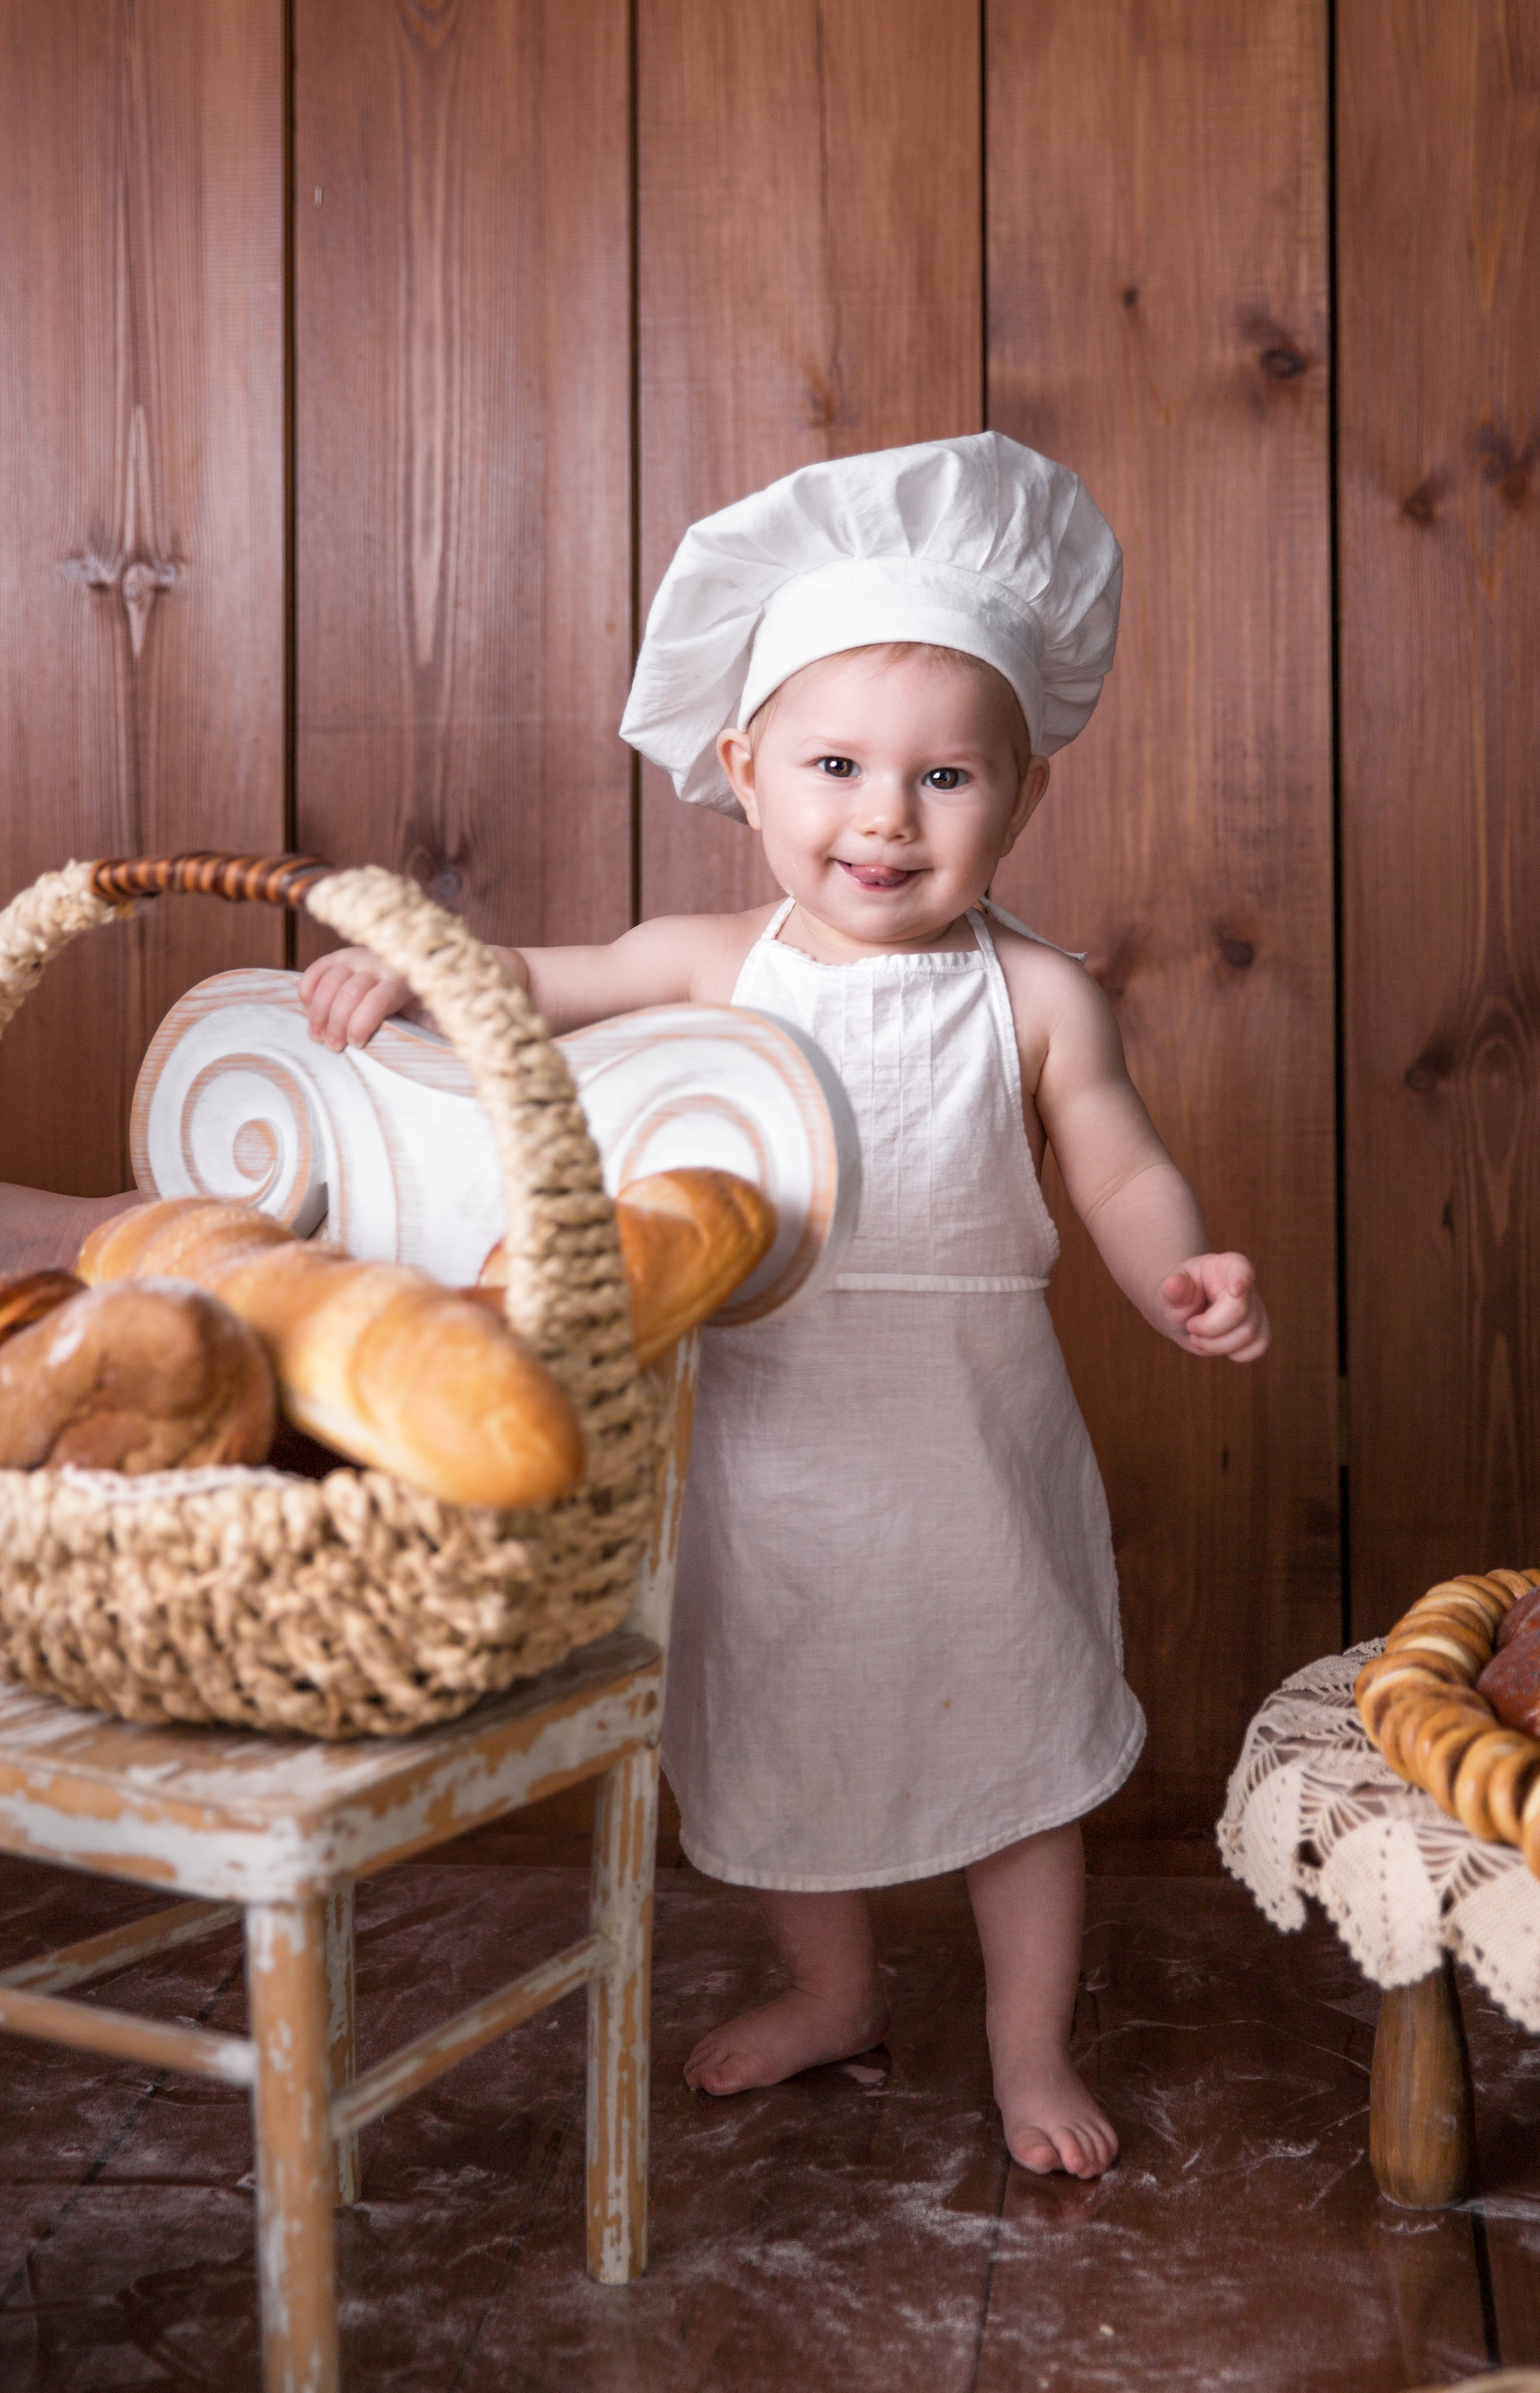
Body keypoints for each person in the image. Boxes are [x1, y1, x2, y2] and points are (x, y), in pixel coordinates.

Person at [299, 433, 1270, 2179]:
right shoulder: (704, 961)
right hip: (768, 1441)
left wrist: (1175, 1267)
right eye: (835, 766)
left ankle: (1025, 2038)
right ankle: (834, 1994)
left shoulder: (1036, 995)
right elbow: (543, 984)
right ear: (746, 772)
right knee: (783, 1728)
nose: (884, 818)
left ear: (1023, 796)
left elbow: (1116, 1163)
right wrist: (416, 972)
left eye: (947, 779)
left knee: (1018, 1728)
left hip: (971, 1440)